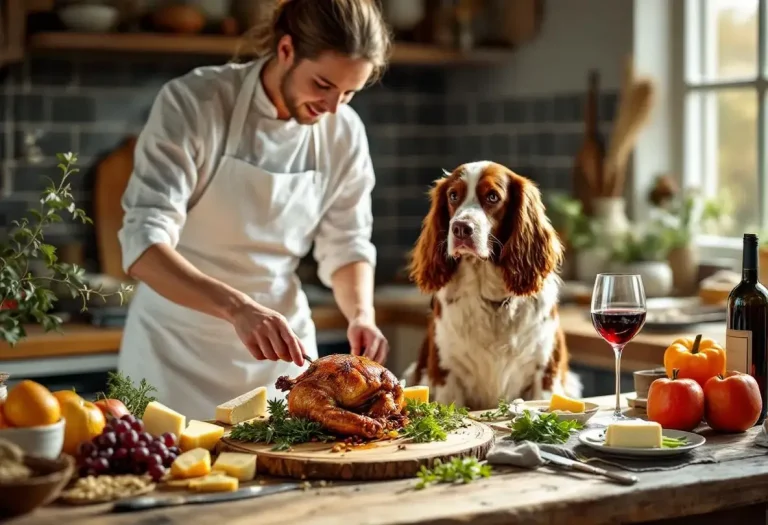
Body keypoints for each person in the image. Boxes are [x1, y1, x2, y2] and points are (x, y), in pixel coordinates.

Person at [116, 0, 392, 420]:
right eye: (322, 84)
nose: (334, 108)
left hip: (279, 359)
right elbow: (142, 245)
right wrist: (238, 309)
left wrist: (361, 314)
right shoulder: (195, 103)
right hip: (173, 353)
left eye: (349, 93)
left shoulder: (343, 132)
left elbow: (348, 244)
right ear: (285, 51)